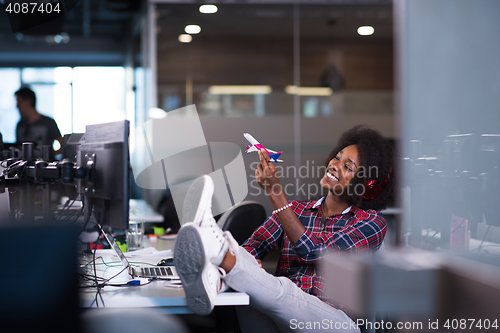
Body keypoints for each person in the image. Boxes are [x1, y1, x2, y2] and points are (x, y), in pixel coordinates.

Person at [174, 125, 395, 333]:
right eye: (337, 157)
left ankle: (218, 252)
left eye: (348, 167)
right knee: (247, 290)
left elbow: (314, 251)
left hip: (335, 321)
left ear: (367, 185)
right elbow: (252, 247)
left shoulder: (371, 223)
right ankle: (215, 275)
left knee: (284, 291)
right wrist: (249, 263)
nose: (335, 165)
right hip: (283, 317)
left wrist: (275, 192)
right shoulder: (297, 210)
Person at [15, 87, 63, 159]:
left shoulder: (48, 122)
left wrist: (49, 154)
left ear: (27, 102)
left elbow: (62, 145)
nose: (17, 106)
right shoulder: (20, 125)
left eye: (19, 102)